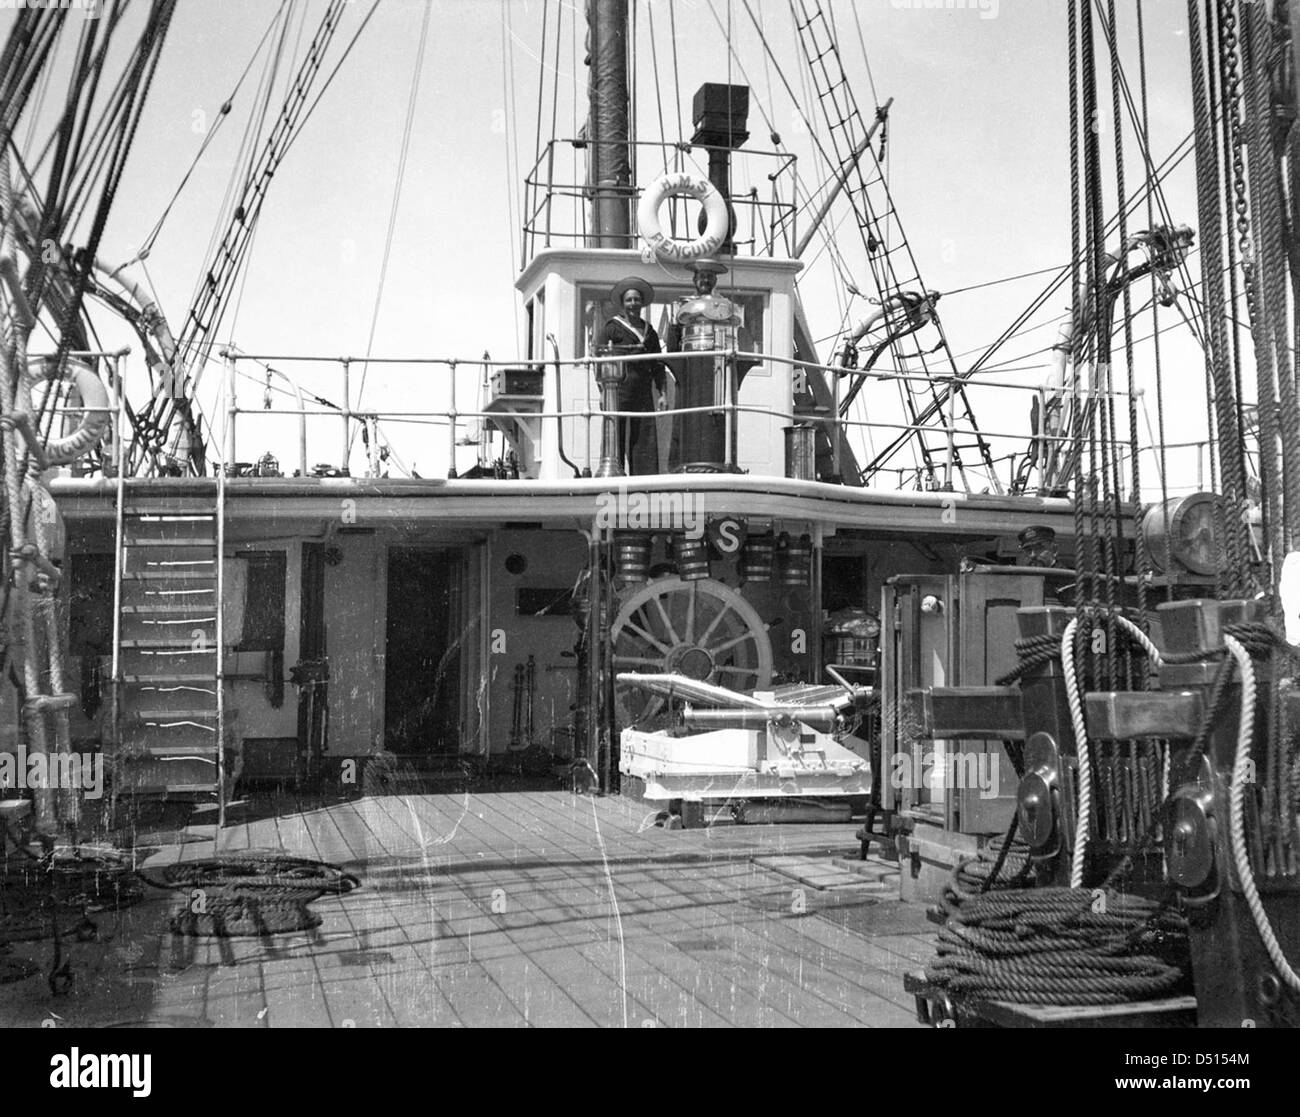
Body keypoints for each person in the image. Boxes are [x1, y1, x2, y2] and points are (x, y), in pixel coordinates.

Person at [598, 276, 666, 475]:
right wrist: (602, 392)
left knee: (644, 437)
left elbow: (658, 365)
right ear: (623, 303)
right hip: (618, 392)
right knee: (614, 435)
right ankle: (612, 475)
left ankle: (644, 481)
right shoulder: (612, 328)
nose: (633, 304)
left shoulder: (650, 333)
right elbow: (599, 360)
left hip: (643, 393)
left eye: (637, 299)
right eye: (629, 300)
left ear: (642, 303)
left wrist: (663, 394)